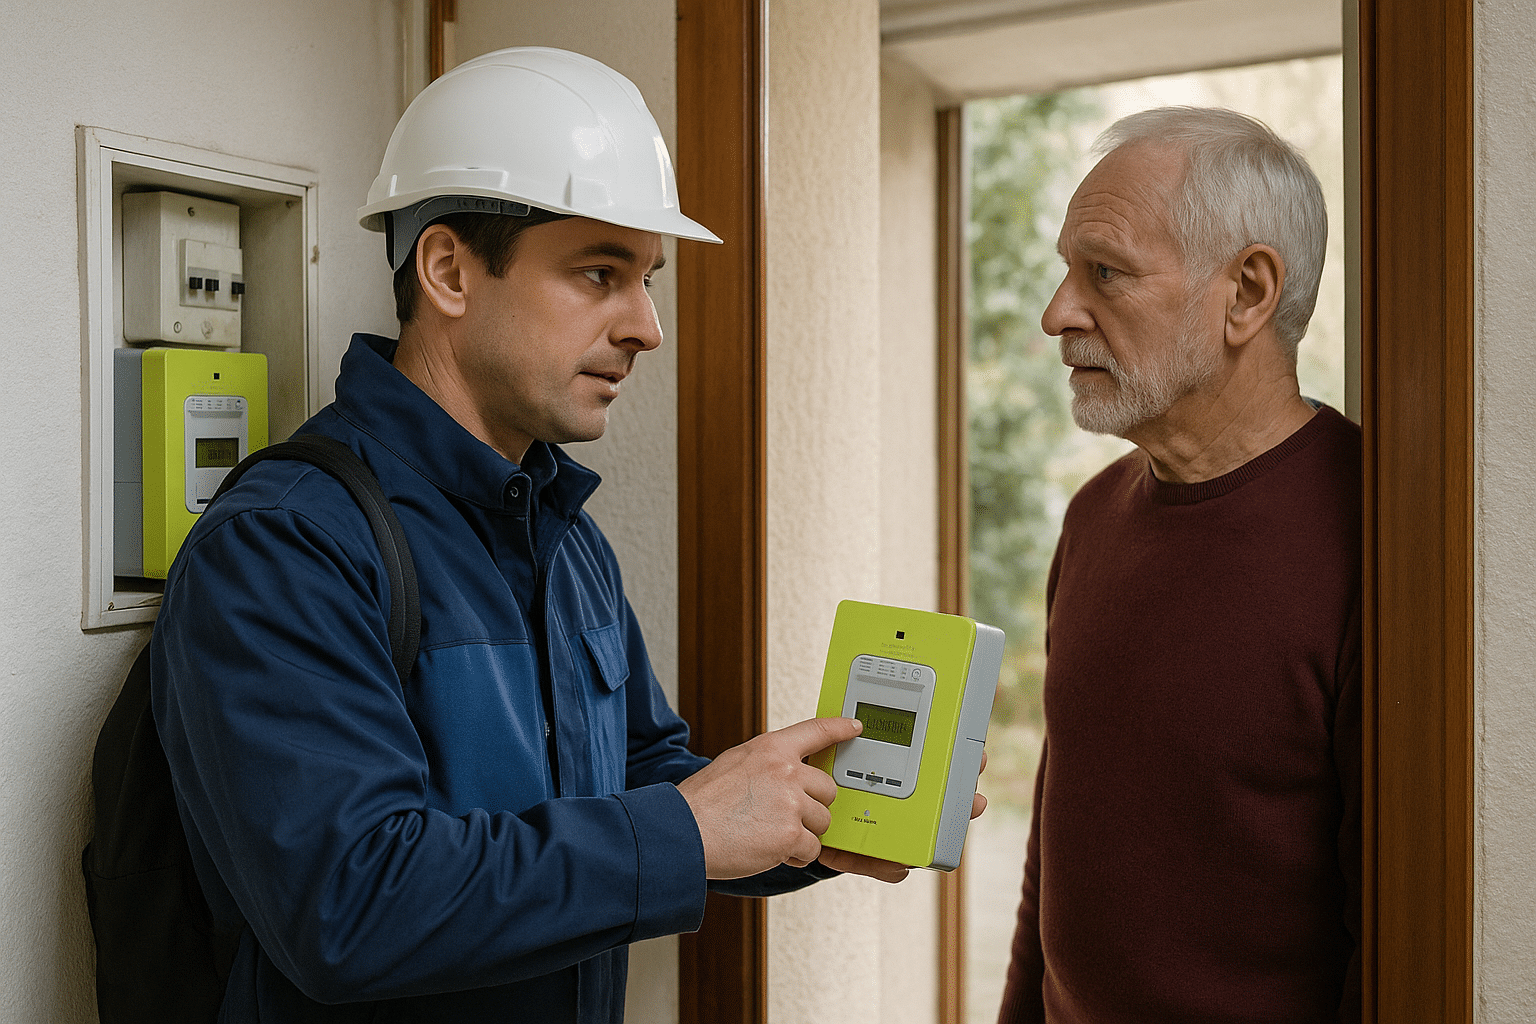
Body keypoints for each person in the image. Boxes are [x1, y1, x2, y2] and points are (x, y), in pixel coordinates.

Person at [151, 47, 929, 1023]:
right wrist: (686, 832)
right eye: (600, 272)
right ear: (448, 270)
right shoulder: (286, 547)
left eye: (648, 278)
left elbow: (641, 779)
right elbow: (346, 903)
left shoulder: (562, 534)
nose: (647, 325)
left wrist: (806, 817)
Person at [996, 107, 1361, 1023]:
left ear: (1247, 293)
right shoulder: (1092, 519)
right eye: (1065, 271)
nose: (1057, 314)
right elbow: (1056, 846)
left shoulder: (1381, 538)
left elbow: (1391, 930)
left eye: (1105, 273)